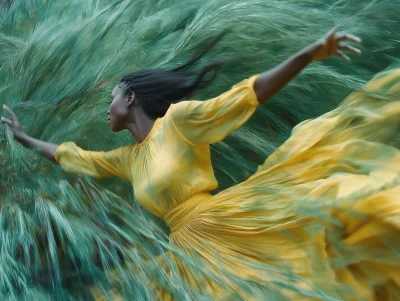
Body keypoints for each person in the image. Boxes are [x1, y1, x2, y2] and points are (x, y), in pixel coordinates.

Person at [2, 26, 400, 300]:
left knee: (324, 243)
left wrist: (310, 54)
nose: (106, 108)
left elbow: (246, 95)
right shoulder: (127, 159)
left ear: (130, 99)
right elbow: (74, 157)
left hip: (226, 223)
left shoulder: (178, 122)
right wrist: (26, 139)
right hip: (188, 253)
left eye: (111, 97)